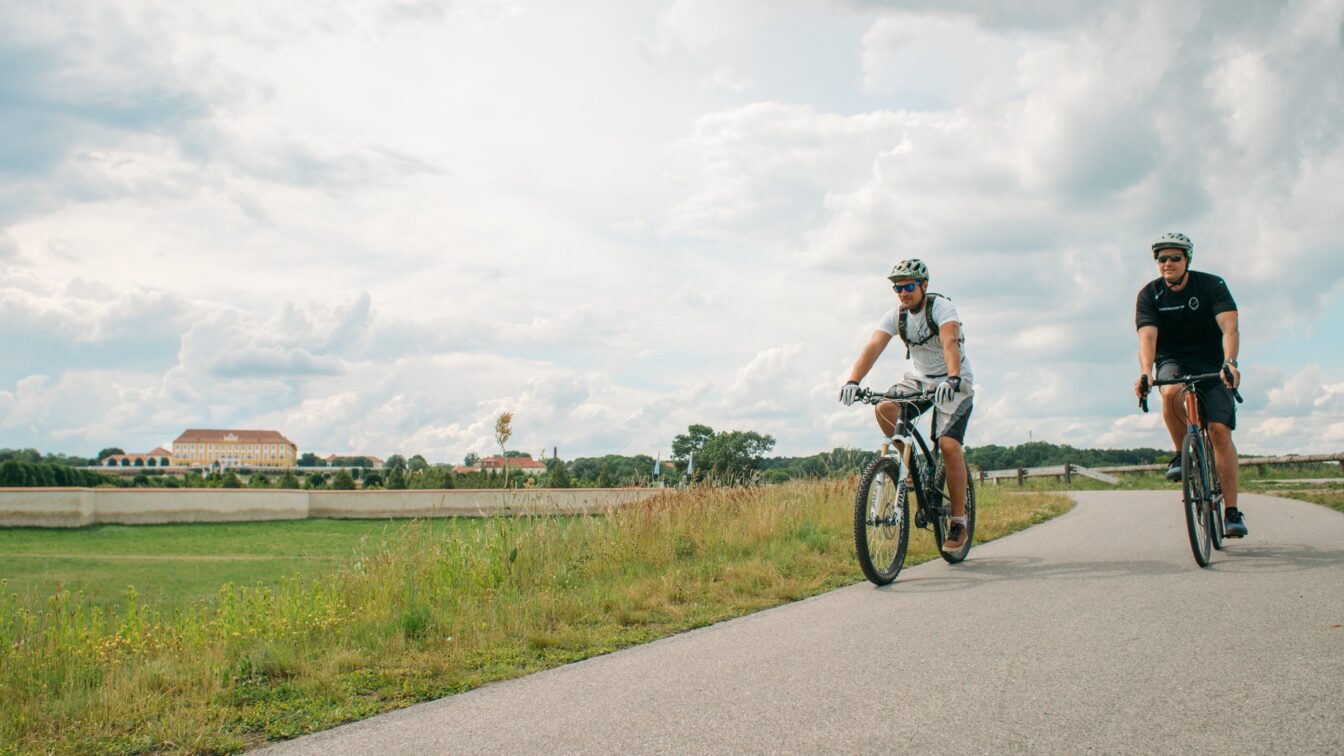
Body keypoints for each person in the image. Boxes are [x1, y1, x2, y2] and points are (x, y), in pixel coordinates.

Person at [839, 259, 975, 553]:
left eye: (909, 286)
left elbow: (950, 342)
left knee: (949, 446)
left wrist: (952, 378)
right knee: (884, 408)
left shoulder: (942, 309)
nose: (903, 293)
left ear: (924, 286)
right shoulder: (896, 316)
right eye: (897, 288)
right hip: (920, 381)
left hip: (954, 381)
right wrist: (853, 380)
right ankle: (911, 470)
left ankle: (958, 521)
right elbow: (873, 346)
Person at [1133, 232, 1246, 537]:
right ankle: (1181, 454)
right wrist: (1145, 373)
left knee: (1220, 432)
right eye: (1161, 259)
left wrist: (1231, 362)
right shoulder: (1150, 294)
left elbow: (1229, 326)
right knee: (1169, 390)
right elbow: (1148, 337)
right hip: (1173, 360)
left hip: (1212, 363)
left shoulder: (1211, 285)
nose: (1167, 264)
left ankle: (1232, 511)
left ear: (1187, 260)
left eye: (1174, 258)